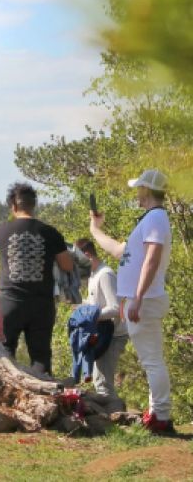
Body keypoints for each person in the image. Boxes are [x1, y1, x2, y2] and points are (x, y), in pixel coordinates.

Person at [89, 169, 173, 433]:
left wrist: (136, 298)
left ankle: (161, 418)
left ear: (147, 190)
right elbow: (119, 251)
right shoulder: (151, 219)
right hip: (143, 299)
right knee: (152, 359)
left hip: (144, 299)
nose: (136, 193)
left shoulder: (156, 218)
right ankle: (156, 414)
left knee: (151, 360)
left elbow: (152, 258)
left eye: (139, 188)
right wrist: (95, 229)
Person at [0, 181, 74, 376]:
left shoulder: (0, 231)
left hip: (9, 302)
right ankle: (45, 396)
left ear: (13, 206)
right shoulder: (50, 233)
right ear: (34, 205)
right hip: (41, 304)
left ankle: (6, 395)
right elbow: (67, 265)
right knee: (40, 357)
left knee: (5, 353)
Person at [74, 237, 128, 409]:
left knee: (103, 383)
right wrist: (79, 304)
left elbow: (115, 308)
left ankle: (115, 417)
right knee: (99, 381)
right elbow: (96, 305)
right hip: (102, 333)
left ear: (88, 255)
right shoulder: (93, 275)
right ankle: (113, 416)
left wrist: (89, 316)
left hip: (113, 335)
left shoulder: (105, 275)